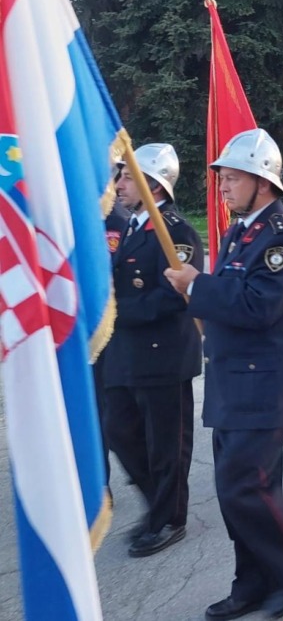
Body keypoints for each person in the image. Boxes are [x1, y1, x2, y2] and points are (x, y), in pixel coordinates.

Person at [165, 129, 283, 620]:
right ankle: (252, 581)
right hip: (234, 382)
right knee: (247, 491)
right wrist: (197, 293)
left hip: (265, 386)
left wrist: (199, 286)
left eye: (232, 178)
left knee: (242, 486)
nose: (223, 187)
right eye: (223, 178)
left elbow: (259, 306)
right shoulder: (242, 230)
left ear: (263, 182)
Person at [104, 143, 201, 558]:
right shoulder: (132, 224)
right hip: (128, 353)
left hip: (163, 354)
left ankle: (169, 518)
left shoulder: (175, 231)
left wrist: (114, 310)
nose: (119, 183)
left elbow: (172, 297)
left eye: (127, 176)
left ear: (153, 184)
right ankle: (156, 502)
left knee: (166, 444)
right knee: (120, 431)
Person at [93, 199, 130, 495]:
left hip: (106, 333)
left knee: (104, 410)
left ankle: (99, 486)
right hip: (78, 329)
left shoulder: (115, 219)